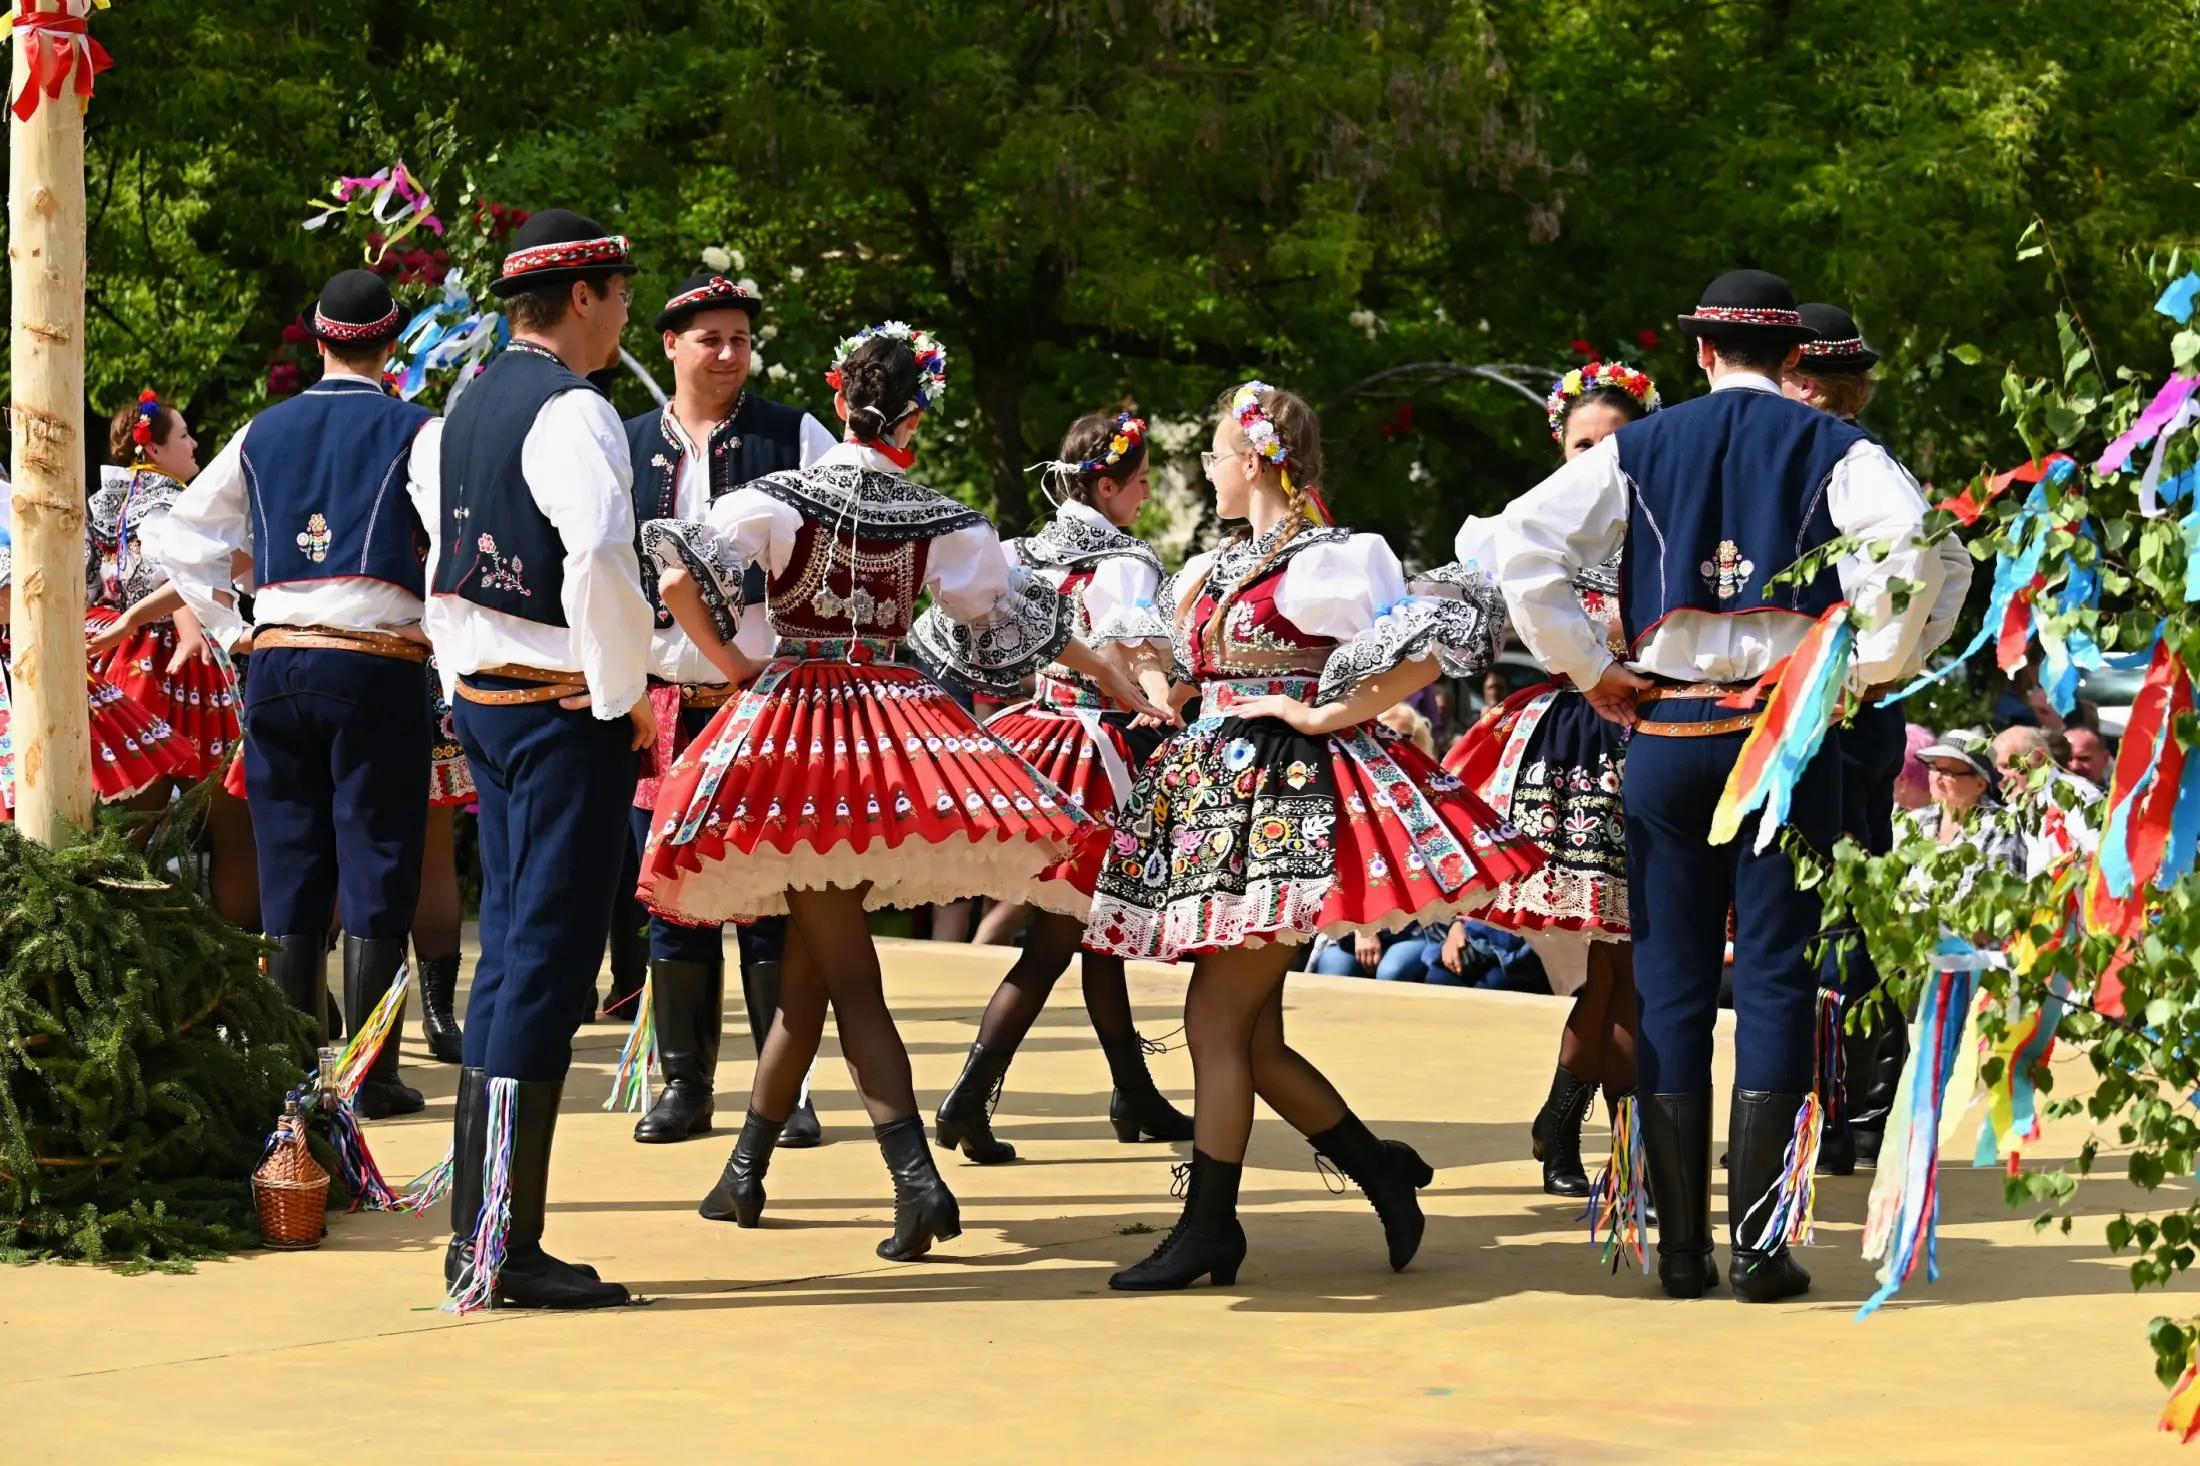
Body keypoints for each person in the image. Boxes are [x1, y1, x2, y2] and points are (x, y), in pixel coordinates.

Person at [635, 322, 1166, 1261]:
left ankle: (918, 1183)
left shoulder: (775, 498)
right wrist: (1124, 686)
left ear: (840, 398)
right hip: (889, 738)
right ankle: (745, 1173)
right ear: (914, 415)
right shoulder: (940, 517)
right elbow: (1021, 621)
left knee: (842, 970)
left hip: (793, 733)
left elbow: (676, 565)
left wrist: (730, 665)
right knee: (809, 971)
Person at [1493, 270, 1943, 1303]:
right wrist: (1857, 667)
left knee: (1671, 977)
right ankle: (1756, 1245)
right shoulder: (1838, 446)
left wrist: (1589, 667)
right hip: (1781, 741)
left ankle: (1680, 1249)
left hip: (1667, 728)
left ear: (1700, 353)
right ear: (1795, 360)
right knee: (1778, 973)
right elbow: (1916, 552)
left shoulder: (1639, 446)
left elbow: (1522, 543)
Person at [1083, 381, 1541, 1290]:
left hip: (1287, 810)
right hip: (1221, 809)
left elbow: (1419, 648)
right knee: (1250, 1042)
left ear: (1253, 460)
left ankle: (1212, 1227)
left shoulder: (1334, 558)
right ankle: (1379, 1172)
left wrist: (1326, 713)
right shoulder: (1216, 567)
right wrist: (1158, 681)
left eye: (1214, 454)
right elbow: (1189, 683)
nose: (1207, 470)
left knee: (1213, 1019)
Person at [410, 209, 656, 1310]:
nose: (625, 315)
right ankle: (501, 1242)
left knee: (512, 958)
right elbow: (601, 547)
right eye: (621, 295)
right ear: (588, 297)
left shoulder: (460, 407)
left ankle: (482, 1232)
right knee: (544, 967)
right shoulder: (573, 411)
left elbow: (444, 554)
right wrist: (623, 691)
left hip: (491, 706)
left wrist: (466, 673)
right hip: (560, 716)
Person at [148, 269, 440, 1119]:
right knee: (380, 856)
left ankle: (292, 1062)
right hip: (377, 658)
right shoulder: (418, 430)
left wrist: (233, 626)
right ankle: (370, 1070)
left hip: (276, 662)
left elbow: (182, 535)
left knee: (290, 859)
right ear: (392, 348)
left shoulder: (259, 432)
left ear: (317, 341)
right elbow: (453, 545)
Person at [919, 410, 1193, 1165]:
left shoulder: (1019, 552)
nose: (1141, 496)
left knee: (1088, 930)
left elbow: (954, 641)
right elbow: (1138, 654)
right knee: (1061, 938)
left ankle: (1131, 1092)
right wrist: (1163, 695)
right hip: (1097, 757)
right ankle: (969, 1097)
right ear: (1104, 484)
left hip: (1030, 742)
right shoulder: (1127, 563)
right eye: (1136, 483)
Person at [618, 271, 836, 1147]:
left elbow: (837, 553)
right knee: (674, 895)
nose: (729, 355)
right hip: (661, 704)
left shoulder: (796, 434)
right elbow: (588, 573)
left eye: (742, 339)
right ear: (671, 344)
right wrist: (621, 685)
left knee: (777, 895)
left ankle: (784, 1088)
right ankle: (684, 1087)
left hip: (770, 701)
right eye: (710, 339)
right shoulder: (625, 444)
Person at [1443, 359, 1658, 1200]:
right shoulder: (1523, 530)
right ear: (1558, 446)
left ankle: (1571, 1128)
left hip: (1657, 742)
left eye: (1616, 443)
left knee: (1628, 968)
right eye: (1584, 443)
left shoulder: (1664, 528)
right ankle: (1611, 1144)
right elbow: (1462, 625)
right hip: (1572, 753)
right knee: (1615, 968)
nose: (1599, 457)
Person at [1785, 301, 1975, 1175]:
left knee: (1830, 909)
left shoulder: (1847, 468)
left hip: (1838, 711)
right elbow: (1952, 568)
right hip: (1845, 706)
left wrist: (1877, 667)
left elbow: (1946, 566)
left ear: (1810, 387)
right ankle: (1854, 1101)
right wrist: (1898, 663)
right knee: (1830, 907)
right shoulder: (1860, 463)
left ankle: (1847, 1104)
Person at [83, 393, 259, 927]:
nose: (194, 443)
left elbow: (92, 585)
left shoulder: (102, 502)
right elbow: (175, 573)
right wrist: (190, 626)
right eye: (183, 436)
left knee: (128, 832)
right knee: (232, 827)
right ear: (153, 449)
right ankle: (248, 977)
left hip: (124, 665)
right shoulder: (170, 503)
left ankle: (127, 964)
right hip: (188, 665)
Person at [1992, 724, 2102, 879]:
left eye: (2007, 766)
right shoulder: (2011, 812)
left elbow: (2095, 856)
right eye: (1996, 769)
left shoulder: (2074, 793)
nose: (2001, 777)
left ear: (2039, 757)